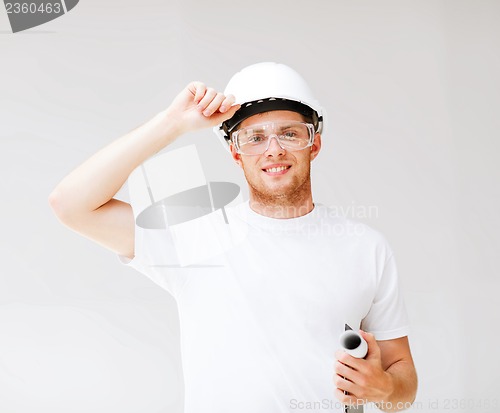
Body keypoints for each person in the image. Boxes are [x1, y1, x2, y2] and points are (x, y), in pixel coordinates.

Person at [49, 62, 417, 412]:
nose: (274, 149)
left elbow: (403, 384)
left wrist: (384, 388)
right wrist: (172, 123)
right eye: (254, 138)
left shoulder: (365, 248)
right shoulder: (195, 238)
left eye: (290, 134)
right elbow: (71, 204)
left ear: (314, 144)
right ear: (235, 153)